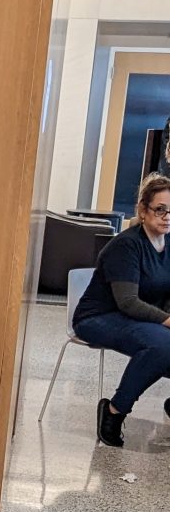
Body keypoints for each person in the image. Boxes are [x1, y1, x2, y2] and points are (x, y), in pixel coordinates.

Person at [74, 172, 170, 447]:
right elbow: (127, 302)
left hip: (139, 317)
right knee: (163, 345)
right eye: (160, 209)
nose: (166, 217)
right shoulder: (126, 245)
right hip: (98, 317)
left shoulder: (168, 242)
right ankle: (114, 412)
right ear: (142, 210)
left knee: (164, 342)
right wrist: (167, 320)